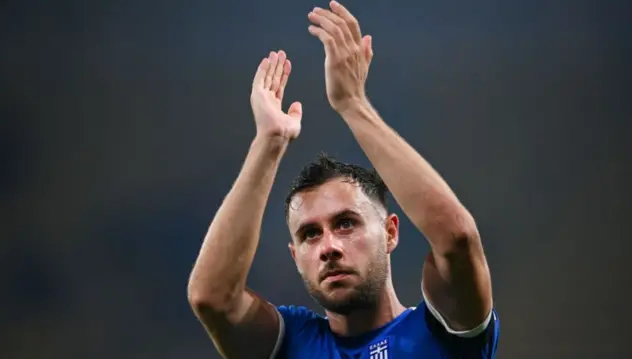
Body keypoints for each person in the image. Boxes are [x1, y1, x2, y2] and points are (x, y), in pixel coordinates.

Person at [187, 1, 499, 358]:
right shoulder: (292, 343)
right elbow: (211, 298)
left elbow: (457, 237)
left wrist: (353, 104)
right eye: (310, 234)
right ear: (295, 256)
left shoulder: (443, 331)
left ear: (391, 232)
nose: (328, 247)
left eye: (346, 223)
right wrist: (268, 142)